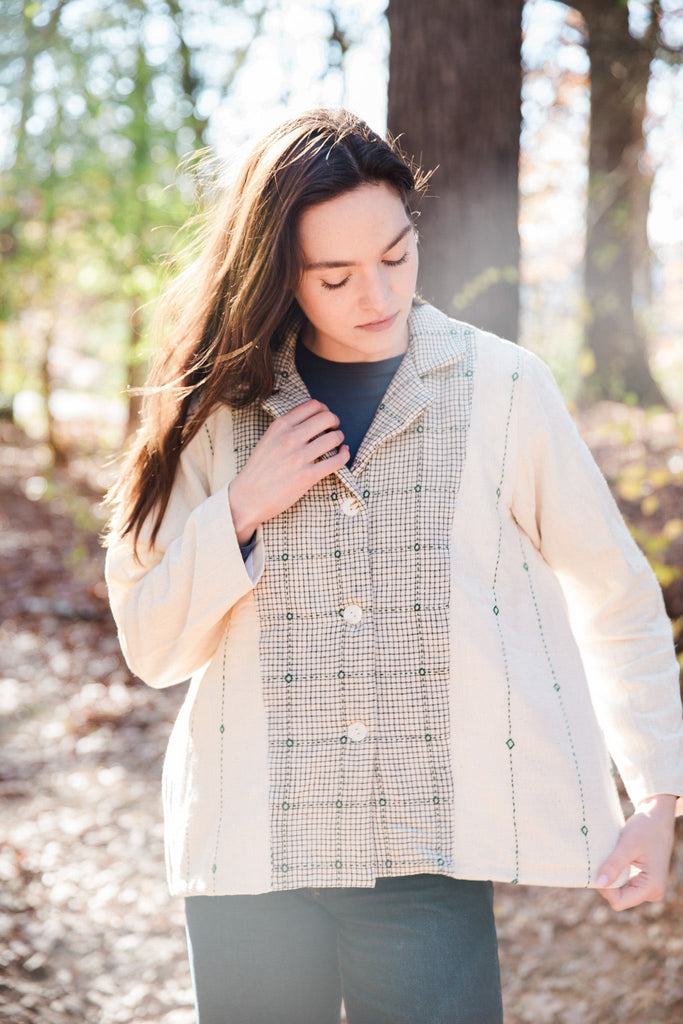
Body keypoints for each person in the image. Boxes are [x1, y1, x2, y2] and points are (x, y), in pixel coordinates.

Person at [104, 108, 683, 1024]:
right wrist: (242, 508)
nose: (377, 295)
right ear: (279, 279)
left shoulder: (504, 389)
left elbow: (611, 595)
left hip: (426, 861)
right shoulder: (213, 416)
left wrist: (656, 794)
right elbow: (151, 644)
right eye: (335, 276)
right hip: (247, 857)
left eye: (395, 257)